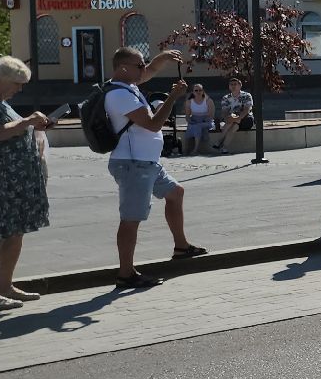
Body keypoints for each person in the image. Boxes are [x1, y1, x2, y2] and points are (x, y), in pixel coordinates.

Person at [102, 47, 206, 288]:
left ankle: (181, 247)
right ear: (123, 68)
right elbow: (153, 124)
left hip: (147, 162)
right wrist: (173, 97)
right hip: (133, 164)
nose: (144, 69)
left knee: (175, 192)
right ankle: (126, 274)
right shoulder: (119, 95)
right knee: (131, 218)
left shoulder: (128, 85)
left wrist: (164, 58)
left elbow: (149, 72)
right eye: (139, 65)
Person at [0, 56, 51, 311]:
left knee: (14, 232)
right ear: (1, 79)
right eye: (17, 84)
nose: (19, 89)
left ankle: (4, 285)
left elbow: (11, 129)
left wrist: (32, 127)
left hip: (13, 181)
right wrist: (26, 122)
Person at [213, 76, 253, 154]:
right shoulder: (226, 98)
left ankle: (218, 141)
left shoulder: (246, 95)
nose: (233, 86)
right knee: (234, 126)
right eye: (231, 84)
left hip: (246, 119)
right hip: (232, 120)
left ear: (240, 85)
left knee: (233, 122)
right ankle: (224, 148)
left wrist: (238, 118)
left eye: (235, 84)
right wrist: (228, 118)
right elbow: (225, 111)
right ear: (229, 86)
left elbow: (246, 110)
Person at [182, 83, 214, 156]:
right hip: (194, 120)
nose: (198, 92)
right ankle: (186, 149)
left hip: (207, 121)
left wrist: (201, 121)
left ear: (203, 91)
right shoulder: (189, 102)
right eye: (196, 90)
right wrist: (190, 121)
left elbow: (211, 115)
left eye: (200, 90)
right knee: (190, 127)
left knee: (197, 126)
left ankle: (195, 149)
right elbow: (187, 116)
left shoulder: (208, 101)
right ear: (193, 92)